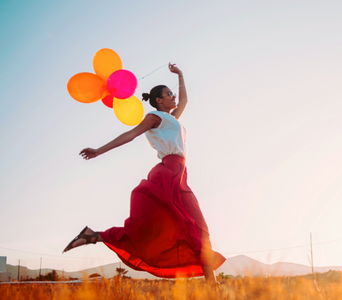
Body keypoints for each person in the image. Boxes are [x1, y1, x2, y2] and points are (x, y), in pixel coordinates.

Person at [63, 63, 225, 286]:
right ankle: (212, 285)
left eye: (172, 93)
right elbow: (130, 134)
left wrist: (181, 75)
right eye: (169, 94)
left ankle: (94, 235)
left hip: (179, 173)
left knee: (194, 226)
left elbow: (185, 101)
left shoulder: (173, 118)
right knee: (191, 227)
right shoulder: (155, 117)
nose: (173, 96)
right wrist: (99, 150)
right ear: (159, 100)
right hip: (168, 173)